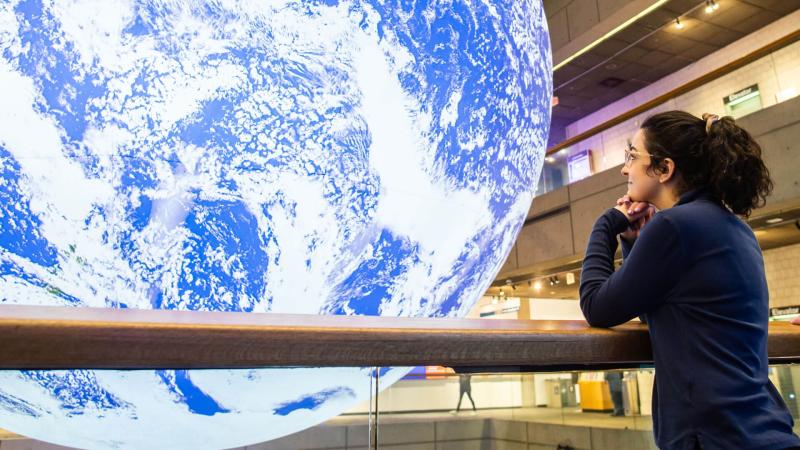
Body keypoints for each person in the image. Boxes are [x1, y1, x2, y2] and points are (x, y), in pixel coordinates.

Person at [579, 111, 800, 450]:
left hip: (715, 438)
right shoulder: (734, 227)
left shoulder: (673, 227)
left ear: (665, 169)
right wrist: (635, 241)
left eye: (633, 156)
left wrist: (606, 225)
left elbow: (597, 306)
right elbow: (658, 306)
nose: (625, 169)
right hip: (760, 429)